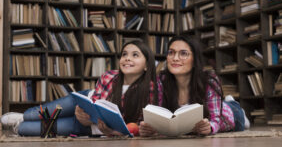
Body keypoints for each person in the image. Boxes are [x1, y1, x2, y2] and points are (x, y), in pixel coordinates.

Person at [1, 40, 162, 136]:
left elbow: (142, 126)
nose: (127, 58)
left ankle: (19, 124)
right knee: (37, 114)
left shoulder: (152, 89)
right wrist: (81, 111)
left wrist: (113, 132)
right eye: (124, 54)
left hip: (88, 128)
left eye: (135, 55)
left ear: (147, 65)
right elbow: (95, 102)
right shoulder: (109, 76)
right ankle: (23, 116)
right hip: (80, 103)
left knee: (26, 129)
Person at [139, 36, 249, 136]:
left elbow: (216, 120)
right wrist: (149, 128)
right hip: (191, 124)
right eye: (171, 52)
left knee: (239, 122)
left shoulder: (209, 80)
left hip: (228, 115)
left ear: (194, 60)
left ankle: (233, 105)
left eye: (183, 53)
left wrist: (209, 127)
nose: (175, 58)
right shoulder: (160, 80)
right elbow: (156, 114)